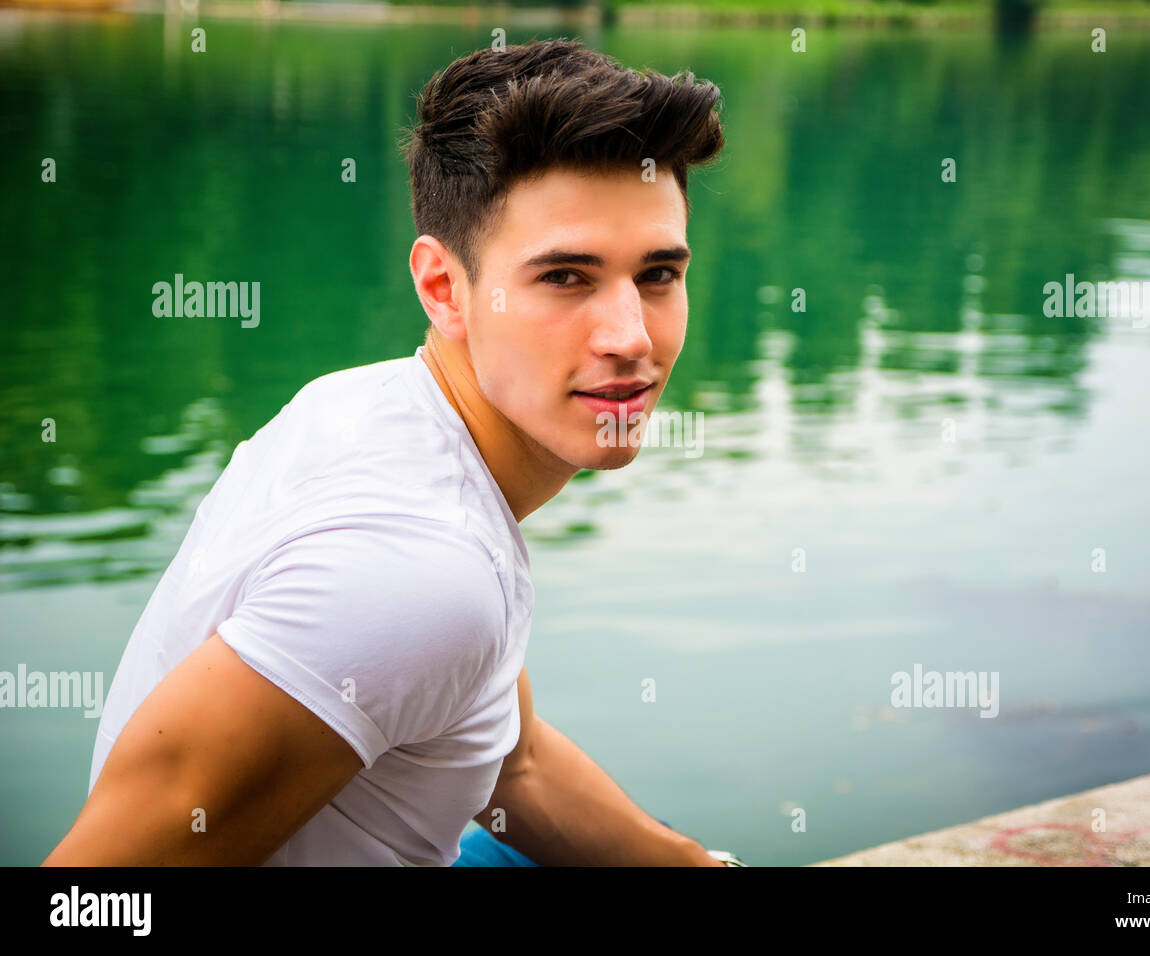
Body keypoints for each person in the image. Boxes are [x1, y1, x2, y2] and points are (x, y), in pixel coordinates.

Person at [42, 37, 737, 866]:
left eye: (658, 273)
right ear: (445, 288)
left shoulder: (378, 406)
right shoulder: (417, 577)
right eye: (565, 278)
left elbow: (514, 764)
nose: (631, 338)